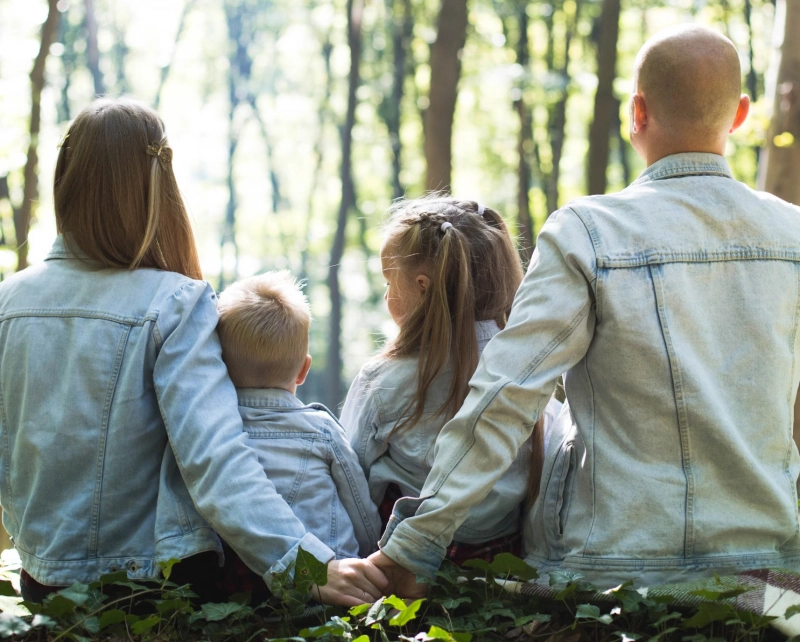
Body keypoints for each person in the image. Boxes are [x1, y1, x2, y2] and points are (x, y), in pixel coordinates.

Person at [368, 25, 800, 593]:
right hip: (768, 578)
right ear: (741, 114)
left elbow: (507, 393)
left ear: (636, 112)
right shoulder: (792, 234)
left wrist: (414, 545)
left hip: (613, 572)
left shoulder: (589, 233)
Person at [0, 98, 387, 606]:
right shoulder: (174, 302)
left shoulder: (8, 300)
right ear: (157, 187)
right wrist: (306, 566)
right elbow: (215, 459)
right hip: (144, 587)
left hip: (41, 582)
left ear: (65, 180)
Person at [340, 197, 562, 566]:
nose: (385, 295)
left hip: (400, 563)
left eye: (389, 281)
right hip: (500, 561)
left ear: (422, 287)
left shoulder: (383, 380)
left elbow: (350, 475)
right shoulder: (530, 374)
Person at [215, 270, 380, 561]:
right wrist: (369, 555)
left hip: (241, 586)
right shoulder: (322, 431)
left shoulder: (211, 433)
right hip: (329, 582)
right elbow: (360, 511)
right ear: (304, 370)